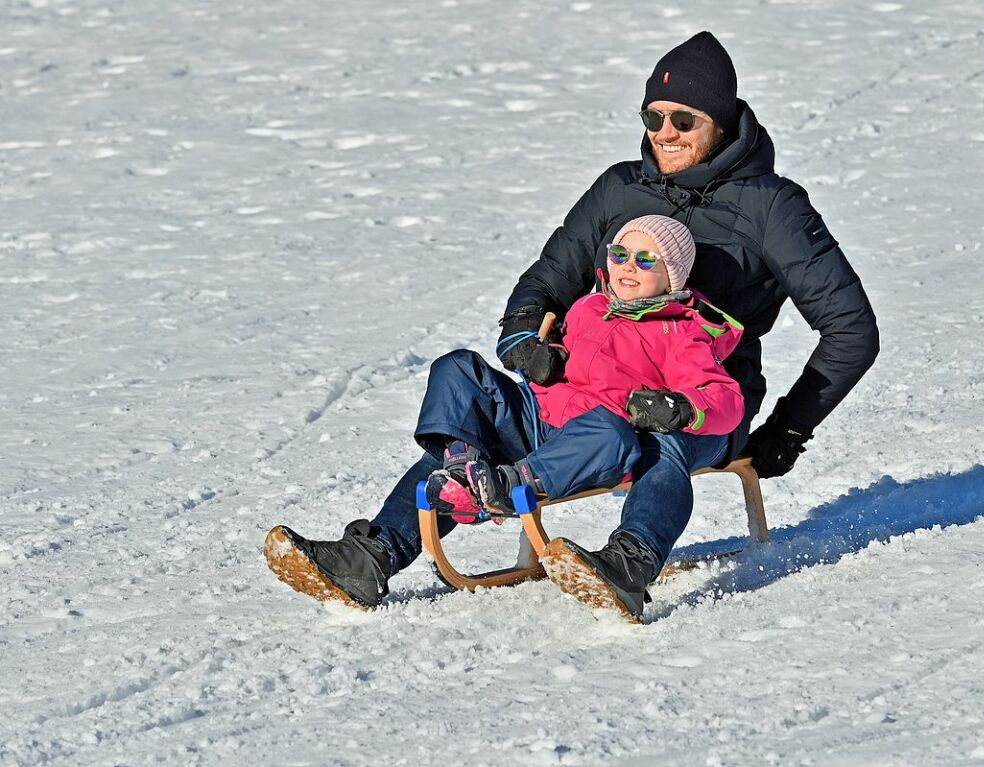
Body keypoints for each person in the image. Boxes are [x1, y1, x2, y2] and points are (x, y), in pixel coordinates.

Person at [264, 30, 879, 621]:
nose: (664, 133)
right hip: (591, 389)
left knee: (656, 443)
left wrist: (785, 431)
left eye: (684, 119)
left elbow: (851, 328)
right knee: (478, 418)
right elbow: (545, 281)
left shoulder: (773, 207)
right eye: (652, 117)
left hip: (695, 398)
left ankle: (627, 565)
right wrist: (527, 343)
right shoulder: (619, 190)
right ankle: (372, 555)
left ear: (722, 122)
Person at [265, 216, 744, 621]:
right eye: (620, 254)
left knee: (611, 426)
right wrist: (546, 357)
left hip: (592, 442)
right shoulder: (589, 307)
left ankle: (498, 485)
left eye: (645, 260)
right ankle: (425, 503)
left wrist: (680, 407)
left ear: (673, 275)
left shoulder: (680, 332)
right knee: (458, 367)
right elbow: (565, 360)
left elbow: (724, 399)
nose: (627, 268)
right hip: (537, 418)